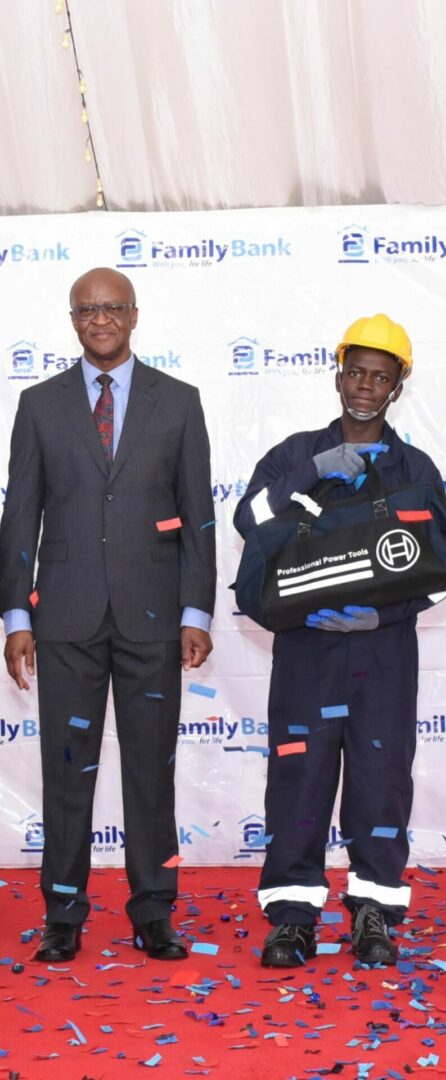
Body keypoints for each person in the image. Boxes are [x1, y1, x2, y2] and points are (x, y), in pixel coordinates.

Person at [234, 313, 446, 969]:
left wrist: (386, 618)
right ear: (339, 374)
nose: (365, 386)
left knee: (379, 785)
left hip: (381, 656)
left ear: (398, 386)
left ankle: (373, 914)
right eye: (356, 372)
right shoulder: (293, 454)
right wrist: (310, 472)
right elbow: (247, 518)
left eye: (380, 376)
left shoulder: (413, 468)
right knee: (298, 783)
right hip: (306, 653)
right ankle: (291, 918)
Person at [0, 268, 216, 962]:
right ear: (73, 320)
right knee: (68, 771)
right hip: (63, 619)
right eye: (87, 310)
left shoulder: (178, 403)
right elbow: (18, 518)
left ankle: (154, 910)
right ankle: (62, 913)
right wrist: (15, 618)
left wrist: (197, 611)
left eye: (111, 308)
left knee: (151, 771)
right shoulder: (38, 405)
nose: (100, 319)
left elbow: (199, 519)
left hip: (154, 617)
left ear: (133, 315)